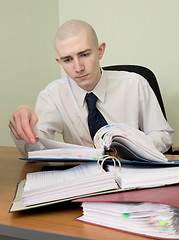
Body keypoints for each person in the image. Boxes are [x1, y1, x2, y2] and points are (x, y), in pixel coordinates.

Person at [9, 19, 174, 157]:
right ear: (60, 62)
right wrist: (24, 129)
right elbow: (37, 150)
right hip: (83, 180)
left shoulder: (135, 84)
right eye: (68, 59)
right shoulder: (52, 95)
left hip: (132, 174)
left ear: (100, 51)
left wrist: (133, 148)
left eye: (84, 54)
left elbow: (163, 135)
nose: (78, 67)